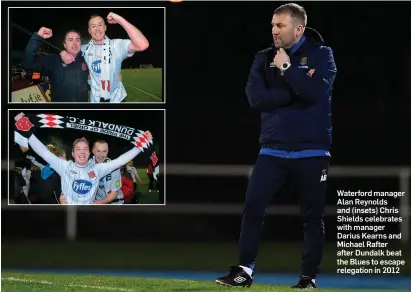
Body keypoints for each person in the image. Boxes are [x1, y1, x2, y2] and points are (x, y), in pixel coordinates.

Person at [216, 3, 337, 289]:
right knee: (253, 207)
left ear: (298, 29)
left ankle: (308, 279)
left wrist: (287, 68)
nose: (274, 30)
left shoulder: (323, 55)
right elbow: (255, 99)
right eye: (272, 24)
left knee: (311, 217)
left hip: (312, 151)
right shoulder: (262, 58)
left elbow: (316, 91)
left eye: (280, 25)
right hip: (271, 149)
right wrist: (295, 91)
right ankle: (244, 270)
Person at [14, 112, 153, 205]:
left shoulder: (98, 168)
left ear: (89, 153)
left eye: (85, 149)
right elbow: (44, 152)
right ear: (73, 154)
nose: (82, 152)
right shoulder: (64, 165)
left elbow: (120, 161)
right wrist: (28, 132)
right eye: (78, 149)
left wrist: (140, 146)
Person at [60, 12, 149, 103]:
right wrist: (62, 53)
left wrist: (119, 20)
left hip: (117, 99)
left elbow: (143, 45)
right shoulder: (84, 49)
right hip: (96, 100)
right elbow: (68, 51)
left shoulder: (117, 45)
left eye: (100, 25)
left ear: (105, 27)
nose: (97, 29)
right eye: (93, 26)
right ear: (89, 30)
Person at [22, 27, 89, 102]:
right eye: (70, 40)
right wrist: (37, 37)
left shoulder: (85, 59)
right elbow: (28, 63)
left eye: (77, 40)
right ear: (65, 44)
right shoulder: (53, 60)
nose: (74, 43)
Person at [90, 140, 124, 204]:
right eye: (98, 151)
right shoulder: (88, 165)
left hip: (115, 202)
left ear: (108, 151)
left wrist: (100, 202)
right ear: (93, 151)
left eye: (104, 151)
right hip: (97, 201)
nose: (101, 155)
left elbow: (114, 192)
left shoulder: (114, 167)